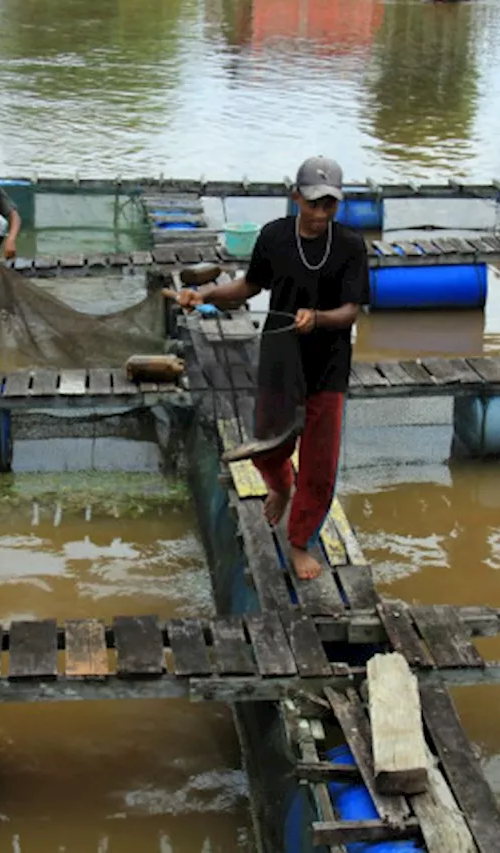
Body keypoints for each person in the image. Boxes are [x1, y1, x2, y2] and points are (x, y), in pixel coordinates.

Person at [176, 155, 367, 581]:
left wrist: (318, 318)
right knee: (266, 443)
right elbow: (249, 286)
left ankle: (300, 540)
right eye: (313, 202)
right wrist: (204, 294)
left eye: (329, 205)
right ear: (295, 196)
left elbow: (351, 311)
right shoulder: (275, 236)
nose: (320, 213)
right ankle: (281, 486)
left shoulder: (351, 245)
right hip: (281, 357)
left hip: (328, 366)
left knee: (320, 461)